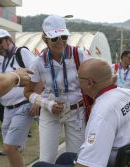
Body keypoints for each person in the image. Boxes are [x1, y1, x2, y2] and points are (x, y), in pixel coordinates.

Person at [33, 58, 130, 167]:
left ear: (90, 83)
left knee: (39, 166)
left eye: (78, 78)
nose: (77, 82)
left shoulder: (102, 111)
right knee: (65, 157)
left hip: (113, 162)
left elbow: (88, 165)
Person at [24, 14, 88, 164]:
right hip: (49, 113)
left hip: (76, 112)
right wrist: (48, 104)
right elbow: (27, 92)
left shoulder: (78, 54)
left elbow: (93, 80)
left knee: (76, 158)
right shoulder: (38, 62)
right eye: (54, 38)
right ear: (45, 39)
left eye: (64, 36)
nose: (60, 42)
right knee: (46, 160)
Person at [0, 28, 37, 167]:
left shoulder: (22, 53)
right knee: (11, 149)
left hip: (23, 105)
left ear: (8, 40)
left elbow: (38, 75)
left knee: (9, 147)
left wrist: (36, 101)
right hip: (7, 109)